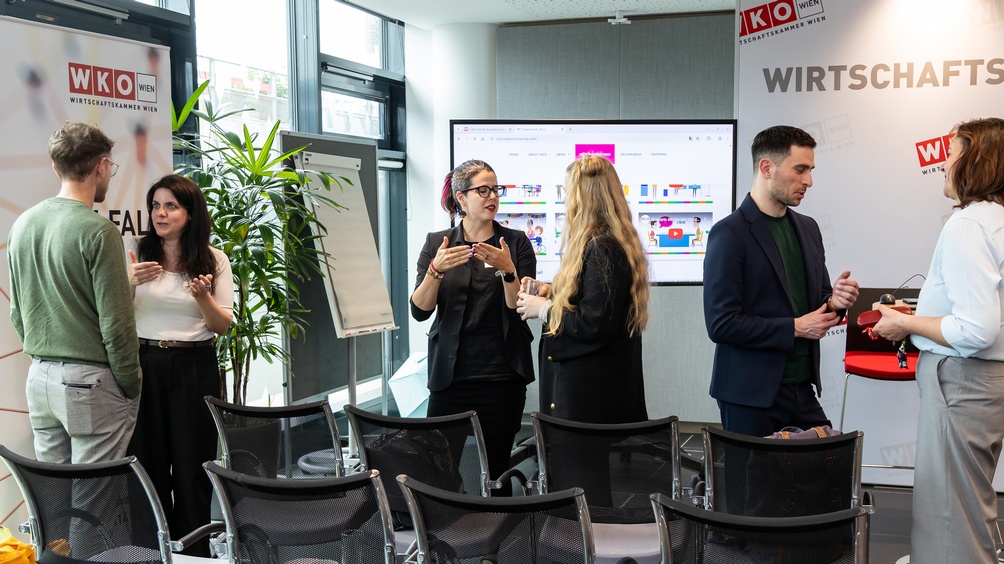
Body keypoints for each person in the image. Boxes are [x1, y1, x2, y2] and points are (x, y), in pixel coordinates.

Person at [871, 117, 1004, 564]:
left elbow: (975, 330)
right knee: (968, 506)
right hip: (987, 384)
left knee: (949, 514)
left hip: (962, 383)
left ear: (975, 162)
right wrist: (920, 318)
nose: (944, 165)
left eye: (952, 154)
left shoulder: (969, 225)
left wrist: (906, 325)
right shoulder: (998, 221)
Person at [703, 125, 859, 437]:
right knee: (751, 485)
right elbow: (721, 324)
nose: (809, 181)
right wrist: (796, 327)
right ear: (766, 167)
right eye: (800, 169)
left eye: (811, 170)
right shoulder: (729, 234)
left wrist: (835, 302)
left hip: (802, 388)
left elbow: (819, 303)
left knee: (818, 478)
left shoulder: (809, 228)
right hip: (748, 395)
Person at [8, 121, 141, 464]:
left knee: (52, 499)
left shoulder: (23, 224)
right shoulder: (99, 232)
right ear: (100, 166)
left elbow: (17, 313)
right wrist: (131, 385)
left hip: (39, 378)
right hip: (88, 383)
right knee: (91, 504)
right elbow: (117, 325)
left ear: (56, 167)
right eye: (110, 166)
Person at [410, 160, 536, 492]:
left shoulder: (516, 243)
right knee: (438, 468)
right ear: (461, 198)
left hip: (501, 375)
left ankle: (495, 533)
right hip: (450, 378)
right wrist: (435, 271)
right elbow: (420, 310)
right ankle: (450, 533)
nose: (492, 196)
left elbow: (518, 307)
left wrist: (509, 270)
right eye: (483, 190)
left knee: (496, 471)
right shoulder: (438, 243)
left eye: (496, 189)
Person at [127, 174, 233, 550]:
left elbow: (222, 325)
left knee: (192, 465)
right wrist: (127, 282)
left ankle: (193, 550)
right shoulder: (137, 252)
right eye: (156, 205)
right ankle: (149, 550)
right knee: (147, 462)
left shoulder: (213, 258)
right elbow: (113, 311)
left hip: (194, 366)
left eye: (171, 205)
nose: (160, 213)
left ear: (190, 213)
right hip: (145, 362)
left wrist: (203, 296)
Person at [516, 155, 650, 423]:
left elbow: (593, 323)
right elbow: (593, 297)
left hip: (587, 401)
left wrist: (543, 309)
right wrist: (553, 291)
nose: (565, 201)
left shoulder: (603, 247)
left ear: (584, 197)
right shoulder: (608, 242)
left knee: (579, 465)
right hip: (594, 393)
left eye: (567, 192)